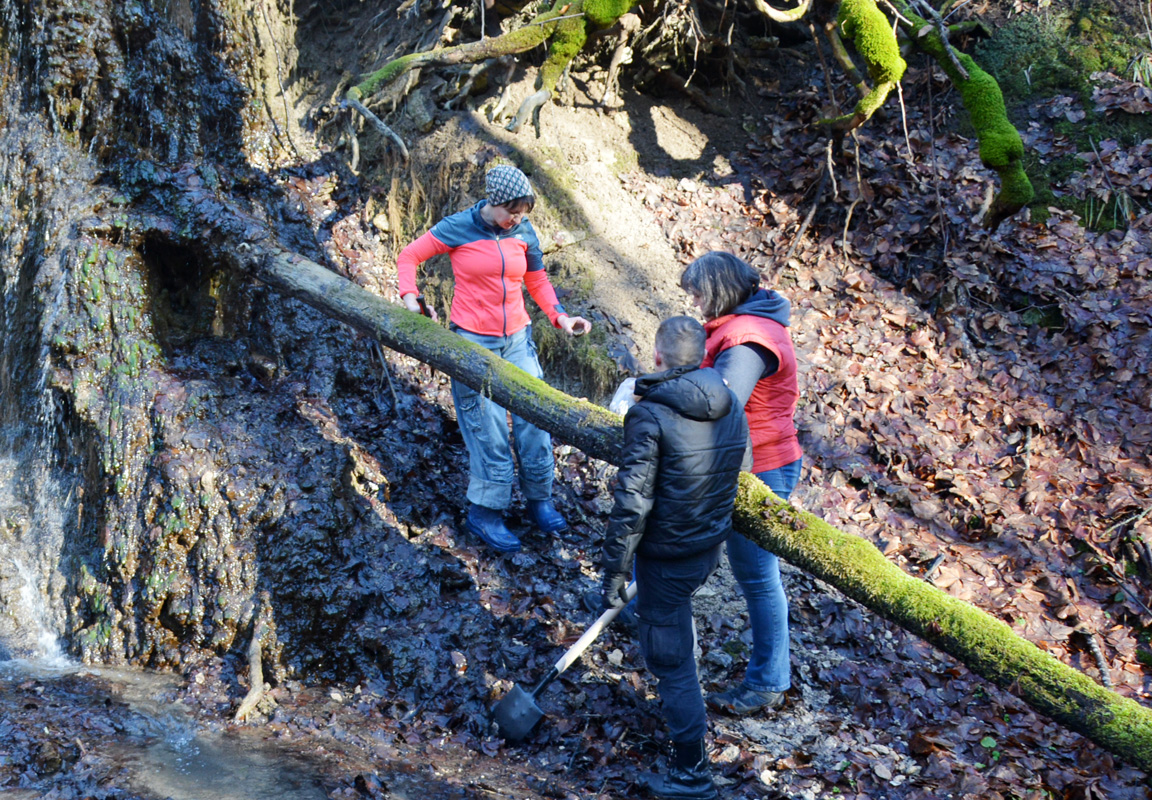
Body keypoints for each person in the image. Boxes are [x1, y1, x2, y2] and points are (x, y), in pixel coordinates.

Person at [397, 164, 591, 554]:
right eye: (512, 212)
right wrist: (410, 299)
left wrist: (561, 317)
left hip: (518, 340)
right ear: (493, 202)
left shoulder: (523, 232)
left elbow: (536, 279)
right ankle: (486, 512)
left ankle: (539, 500)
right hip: (473, 343)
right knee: (487, 428)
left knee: (535, 419)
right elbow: (408, 257)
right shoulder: (459, 227)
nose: (516, 219)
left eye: (523, 213)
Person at [600, 316, 749, 800]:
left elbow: (632, 502)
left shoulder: (650, 415)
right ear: (703, 358)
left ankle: (692, 774)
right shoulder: (730, 403)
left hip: (667, 558)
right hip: (707, 548)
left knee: (672, 660)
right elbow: (734, 468)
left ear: (658, 356)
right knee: (671, 628)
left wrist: (615, 570)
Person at [679, 250, 803, 716]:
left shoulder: (750, 339)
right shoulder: (746, 325)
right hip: (741, 460)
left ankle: (769, 681)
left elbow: (720, 401)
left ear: (718, 291)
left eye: (696, 292)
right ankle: (642, 608)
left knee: (756, 573)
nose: (692, 301)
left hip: (762, 467)